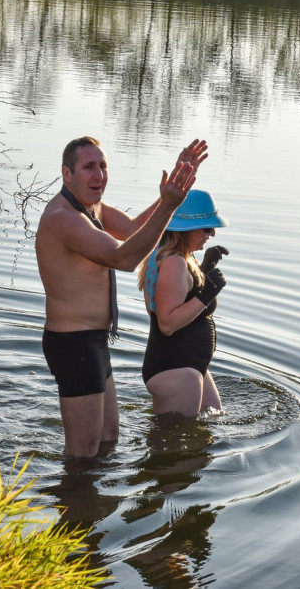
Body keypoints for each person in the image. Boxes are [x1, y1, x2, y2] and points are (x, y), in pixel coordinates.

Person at [35, 136, 208, 458]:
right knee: (82, 453)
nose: (99, 175)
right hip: (73, 343)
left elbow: (132, 230)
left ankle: (93, 490)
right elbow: (124, 258)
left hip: (94, 341)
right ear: (67, 174)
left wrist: (171, 194)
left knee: (108, 440)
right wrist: (169, 206)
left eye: (103, 166)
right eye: (89, 167)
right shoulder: (63, 218)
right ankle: (70, 491)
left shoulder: (92, 209)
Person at [137, 189, 229, 418]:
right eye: (206, 228)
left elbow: (182, 296)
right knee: (175, 438)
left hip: (186, 366)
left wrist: (203, 270)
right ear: (185, 228)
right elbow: (167, 323)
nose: (212, 233)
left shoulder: (177, 258)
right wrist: (208, 294)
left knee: (214, 416)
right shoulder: (173, 262)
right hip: (176, 370)